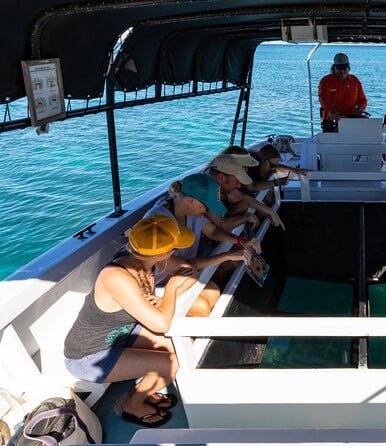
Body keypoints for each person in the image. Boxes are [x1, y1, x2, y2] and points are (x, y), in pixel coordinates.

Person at [64, 215, 198, 427]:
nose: (175, 251)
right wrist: (171, 288)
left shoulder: (147, 260)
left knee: (186, 345)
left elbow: (189, 272)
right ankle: (132, 403)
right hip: (90, 355)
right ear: (164, 252)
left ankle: (145, 388)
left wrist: (165, 297)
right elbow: (161, 324)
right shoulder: (116, 276)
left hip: (123, 336)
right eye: (174, 248)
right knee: (175, 362)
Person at [145, 173, 253, 317]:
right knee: (203, 307)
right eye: (207, 207)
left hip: (187, 274)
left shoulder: (189, 211)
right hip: (162, 283)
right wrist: (227, 255)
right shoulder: (159, 222)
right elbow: (185, 265)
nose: (208, 212)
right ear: (191, 200)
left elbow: (214, 232)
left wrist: (240, 241)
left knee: (213, 292)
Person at [207, 153, 285, 229]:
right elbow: (223, 224)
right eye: (237, 181)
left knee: (244, 204)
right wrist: (248, 216)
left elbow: (243, 197)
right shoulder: (206, 194)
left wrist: (271, 212)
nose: (239, 186)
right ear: (221, 178)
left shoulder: (218, 186)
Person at [318, 53, 368, 130]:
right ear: (334, 68)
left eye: (345, 68)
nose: (342, 71)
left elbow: (363, 100)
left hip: (350, 120)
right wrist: (331, 110)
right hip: (330, 121)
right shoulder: (325, 81)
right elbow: (322, 99)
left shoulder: (355, 81)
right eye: (339, 68)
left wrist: (361, 107)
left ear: (349, 68)